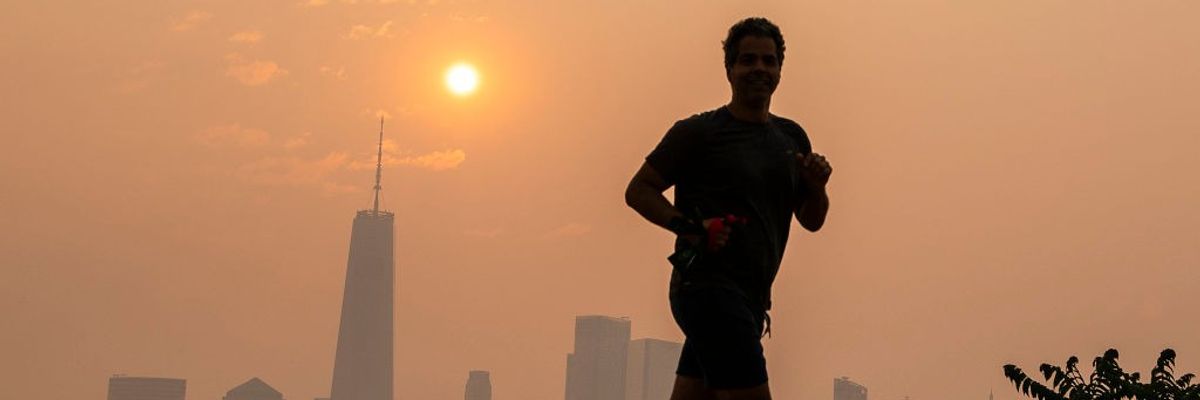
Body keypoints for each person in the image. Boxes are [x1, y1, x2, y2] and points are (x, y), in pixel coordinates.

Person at [624, 17, 832, 400]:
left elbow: (812, 220)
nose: (759, 69)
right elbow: (639, 190)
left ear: (780, 70)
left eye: (769, 62)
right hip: (706, 290)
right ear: (730, 69)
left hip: (752, 300)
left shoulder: (791, 137)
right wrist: (690, 226)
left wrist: (817, 189)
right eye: (748, 60)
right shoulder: (699, 133)